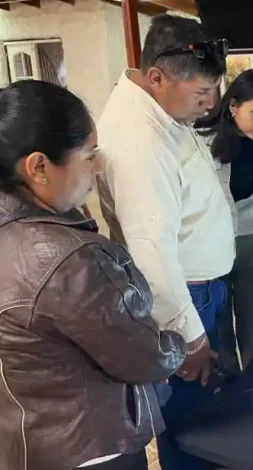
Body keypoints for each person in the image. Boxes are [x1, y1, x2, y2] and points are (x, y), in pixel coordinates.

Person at [0, 81, 186, 470]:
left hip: (24, 440)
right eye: (89, 155)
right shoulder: (67, 259)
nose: (98, 167)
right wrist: (177, 346)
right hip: (90, 446)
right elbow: (141, 357)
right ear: (38, 166)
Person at [95, 15, 233, 470]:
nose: (211, 103)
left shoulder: (161, 110)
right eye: (202, 92)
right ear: (157, 77)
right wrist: (189, 337)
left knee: (205, 413)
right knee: (191, 420)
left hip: (199, 291)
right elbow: (151, 254)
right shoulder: (140, 142)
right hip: (185, 298)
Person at [197, 69, 253, 373]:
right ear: (233, 106)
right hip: (211, 242)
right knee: (218, 320)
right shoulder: (202, 143)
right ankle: (226, 386)